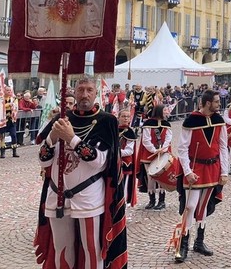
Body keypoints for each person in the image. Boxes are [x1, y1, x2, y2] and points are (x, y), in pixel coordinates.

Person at [34, 76, 127, 269]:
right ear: (74, 92)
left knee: (92, 249)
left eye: (89, 90)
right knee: (61, 248)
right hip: (57, 194)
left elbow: (100, 161)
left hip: (88, 196)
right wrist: (51, 138)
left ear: (96, 93)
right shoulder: (61, 118)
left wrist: (71, 138)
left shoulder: (106, 121)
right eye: (81, 90)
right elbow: (44, 160)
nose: (84, 94)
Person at [174, 90, 228, 262]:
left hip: (213, 168)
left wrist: (224, 172)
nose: (219, 104)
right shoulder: (191, 121)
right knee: (190, 206)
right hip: (195, 168)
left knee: (203, 205)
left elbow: (222, 147)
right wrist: (188, 172)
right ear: (207, 103)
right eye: (216, 101)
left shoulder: (219, 121)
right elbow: (182, 149)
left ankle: (199, 241)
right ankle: (183, 243)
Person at [138, 104, 172, 210]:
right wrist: (154, 150)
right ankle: (152, 200)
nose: (167, 112)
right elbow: (146, 140)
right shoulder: (148, 124)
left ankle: (162, 201)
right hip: (149, 155)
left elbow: (168, 138)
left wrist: (163, 149)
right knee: (151, 178)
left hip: (163, 154)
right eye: (165, 110)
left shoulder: (167, 124)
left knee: (162, 177)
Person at [118, 109, 138, 207]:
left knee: (123, 188)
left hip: (125, 163)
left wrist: (116, 153)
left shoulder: (130, 132)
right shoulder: (114, 129)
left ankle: (123, 207)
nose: (126, 118)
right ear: (119, 117)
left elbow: (130, 151)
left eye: (127, 116)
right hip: (114, 163)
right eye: (123, 116)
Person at [0, 86, 20, 159]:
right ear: (4, 91)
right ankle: (2, 152)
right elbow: (0, 107)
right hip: (3, 120)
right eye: (7, 90)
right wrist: (8, 105)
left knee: (13, 135)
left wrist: (12, 106)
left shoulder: (14, 99)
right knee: (2, 135)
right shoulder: (1, 99)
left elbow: (16, 107)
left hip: (12, 120)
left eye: (10, 90)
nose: (9, 92)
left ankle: (14, 151)